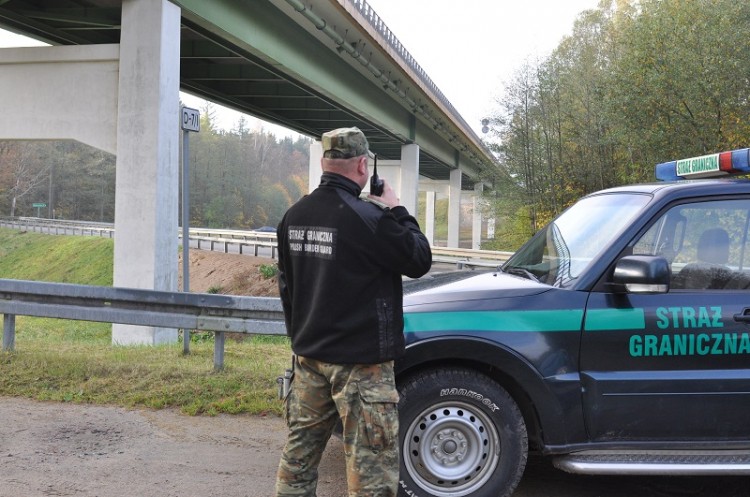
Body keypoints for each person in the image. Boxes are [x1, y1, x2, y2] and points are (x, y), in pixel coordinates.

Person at [275, 127, 432, 497]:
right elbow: (419, 259)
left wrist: (300, 339)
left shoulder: (293, 216)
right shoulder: (371, 219)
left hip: (309, 357)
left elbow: (287, 287)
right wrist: (396, 208)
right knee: (371, 471)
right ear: (363, 166)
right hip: (361, 366)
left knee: (298, 460)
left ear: (325, 163)